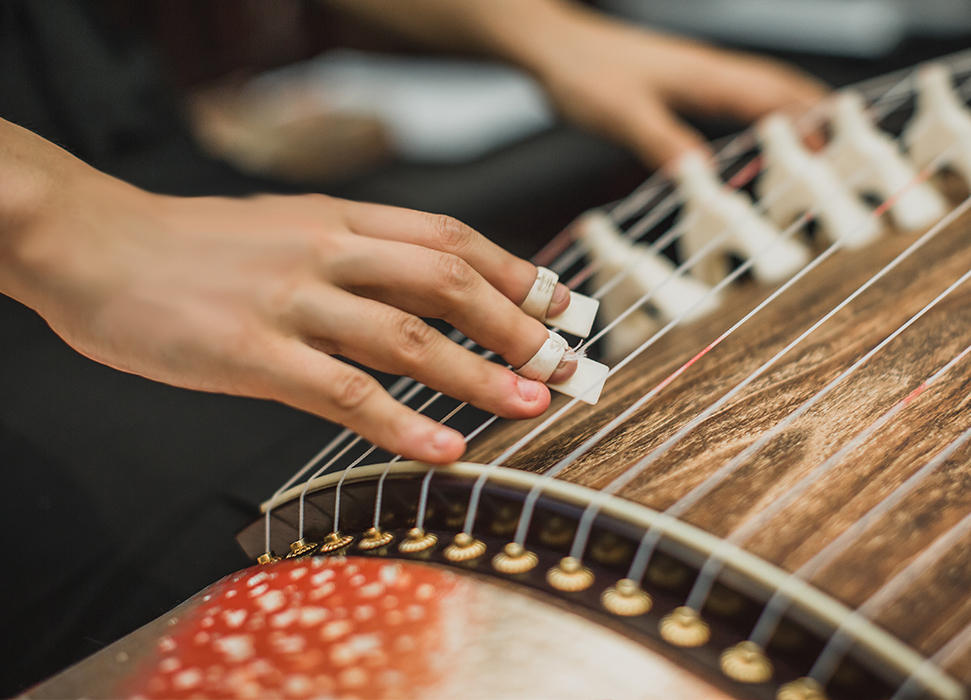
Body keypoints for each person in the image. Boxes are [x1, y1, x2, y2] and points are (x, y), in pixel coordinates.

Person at [0, 0, 823, 691]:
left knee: (617, 384)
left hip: (194, 207)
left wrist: (529, 24)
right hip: (52, 305)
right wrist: (51, 216)